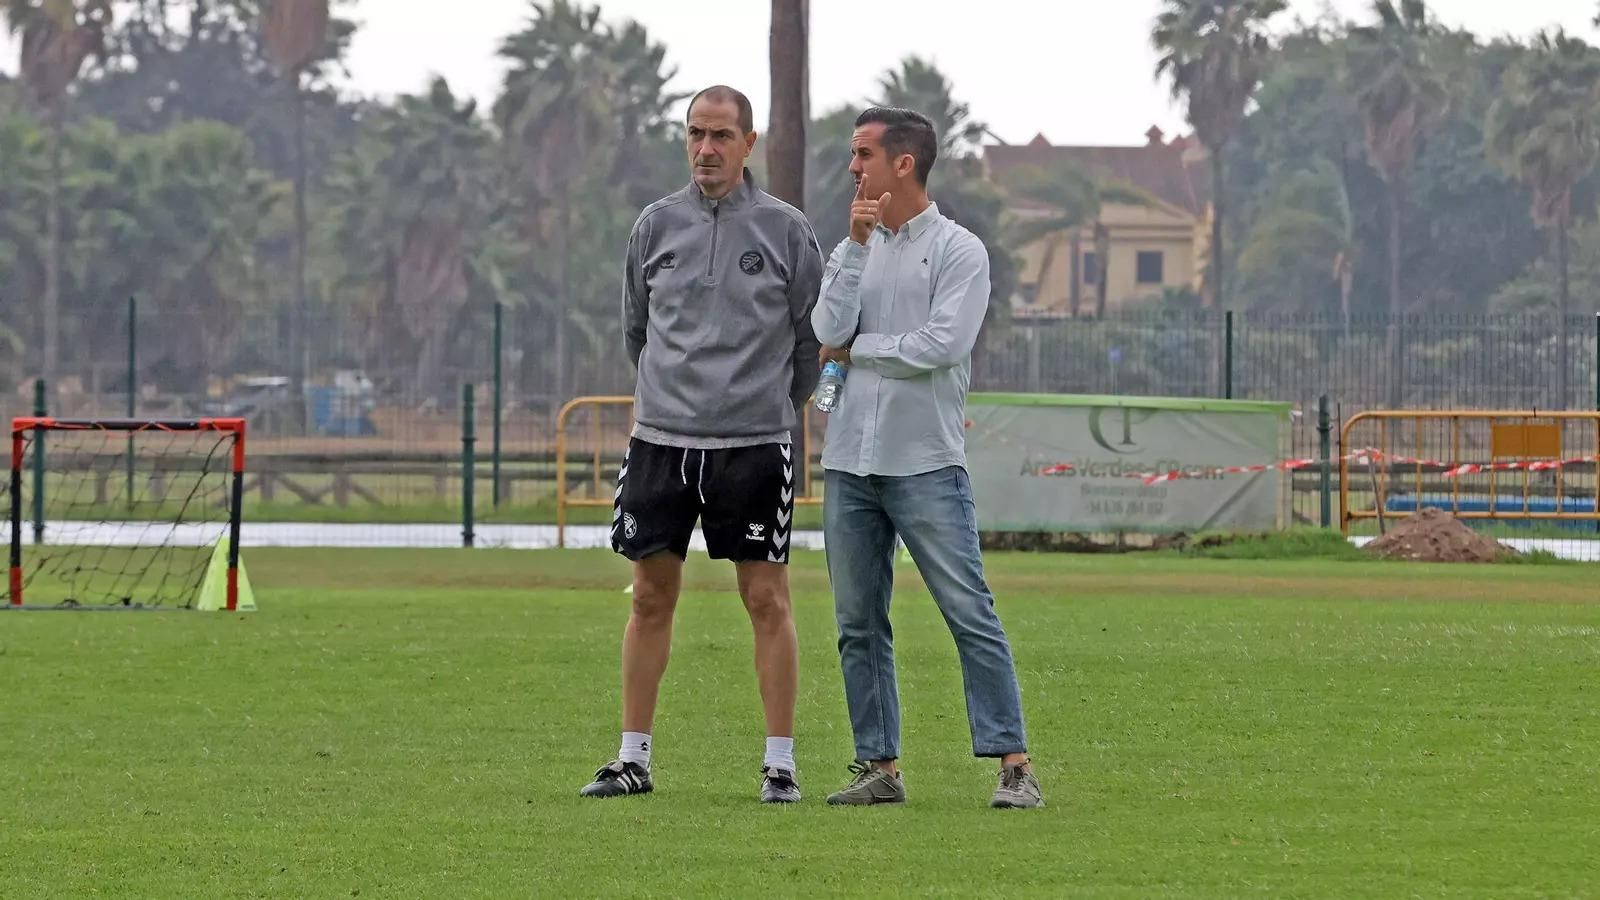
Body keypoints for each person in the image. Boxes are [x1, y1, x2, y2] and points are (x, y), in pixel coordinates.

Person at [579, 85, 824, 804]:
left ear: (749, 143)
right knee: (650, 596)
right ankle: (633, 759)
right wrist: (671, 399)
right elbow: (636, 330)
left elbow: (811, 342)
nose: (706, 149)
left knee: (765, 599)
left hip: (753, 444)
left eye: (721, 136)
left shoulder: (786, 230)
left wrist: (773, 407)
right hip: (660, 441)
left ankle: (780, 765)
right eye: (695, 134)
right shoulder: (654, 226)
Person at [811, 107, 1043, 809]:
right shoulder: (853, 243)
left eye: (863, 154)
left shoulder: (960, 251)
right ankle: (879, 768)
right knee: (857, 622)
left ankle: (1015, 769)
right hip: (850, 461)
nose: (853, 167)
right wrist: (851, 253)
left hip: (927, 463)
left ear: (902, 163)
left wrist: (864, 351)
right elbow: (825, 330)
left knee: (967, 609)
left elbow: (942, 344)